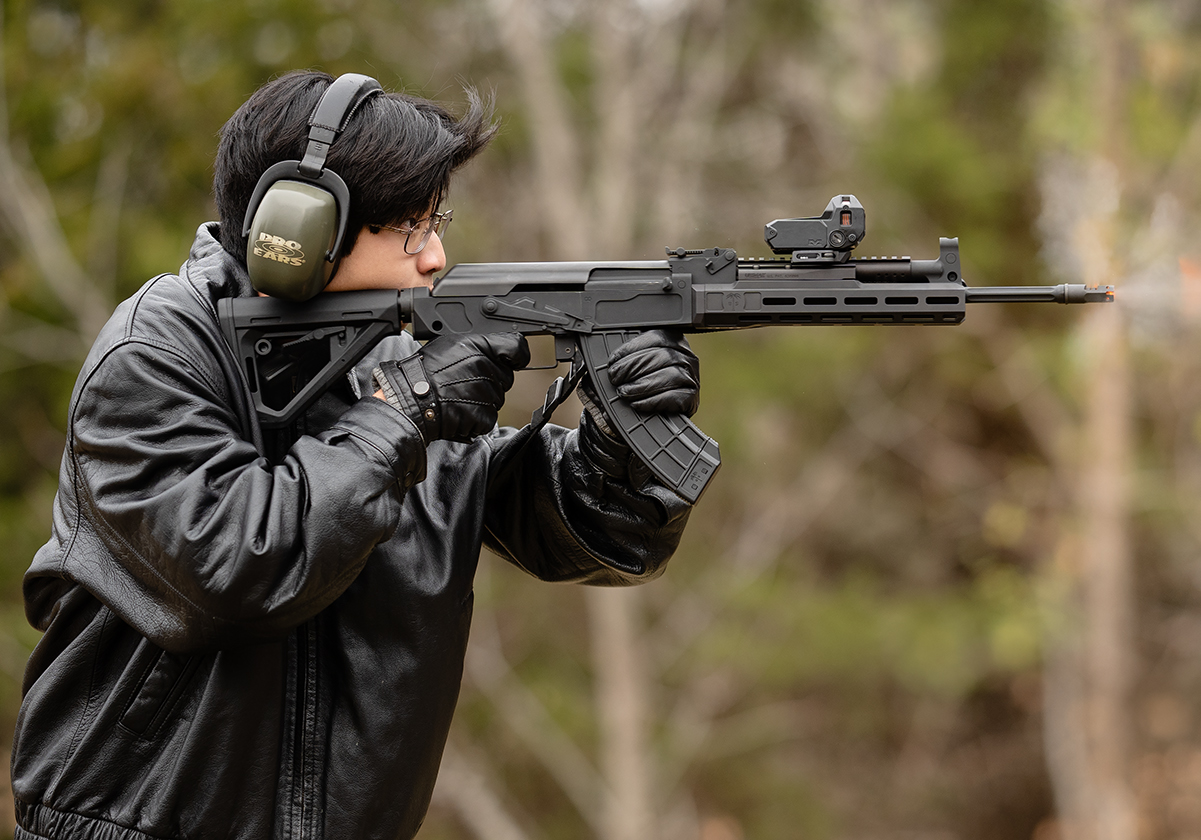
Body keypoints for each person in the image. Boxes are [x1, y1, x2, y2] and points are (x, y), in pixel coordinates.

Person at [9, 71, 701, 840]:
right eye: (409, 226)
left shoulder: (389, 364)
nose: (435, 256)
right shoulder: (155, 356)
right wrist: (401, 414)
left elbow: (589, 533)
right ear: (301, 230)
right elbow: (237, 569)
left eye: (437, 221)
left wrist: (623, 435)